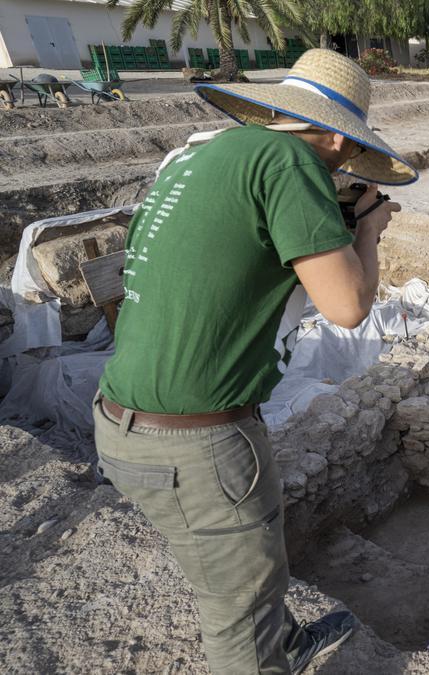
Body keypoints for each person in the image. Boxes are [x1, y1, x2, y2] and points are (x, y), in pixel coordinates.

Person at [92, 49, 412, 675]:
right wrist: (367, 232)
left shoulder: (200, 155)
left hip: (122, 419)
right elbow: (347, 307)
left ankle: (286, 642)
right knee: (237, 605)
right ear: (334, 136)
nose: (344, 166)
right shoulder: (292, 162)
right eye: (345, 153)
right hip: (196, 443)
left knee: (245, 569)